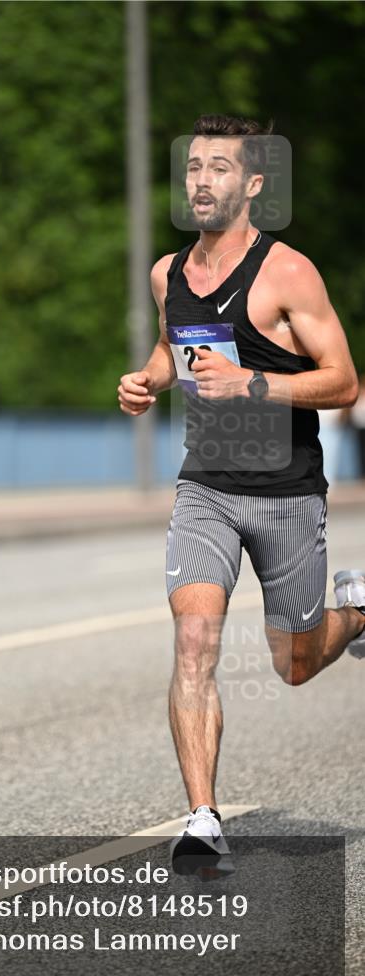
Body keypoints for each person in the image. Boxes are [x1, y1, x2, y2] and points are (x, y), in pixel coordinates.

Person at [117, 114, 365, 867]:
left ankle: (354, 613)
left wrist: (253, 381)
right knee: (193, 641)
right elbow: (173, 346)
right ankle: (201, 818)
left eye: (218, 168)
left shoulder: (287, 272)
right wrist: (148, 380)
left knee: (292, 662)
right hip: (206, 489)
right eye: (193, 167)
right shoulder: (167, 273)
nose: (200, 181)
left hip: (287, 492)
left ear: (252, 184)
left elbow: (344, 382)